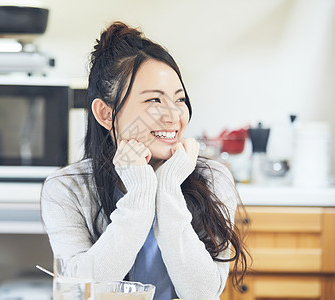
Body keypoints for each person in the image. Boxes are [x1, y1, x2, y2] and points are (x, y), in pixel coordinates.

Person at [41, 21, 249, 300]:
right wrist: (139, 195)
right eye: (154, 100)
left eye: (179, 100)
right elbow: (80, 291)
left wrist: (168, 190)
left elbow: (202, 293)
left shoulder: (214, 178)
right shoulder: (66, 189)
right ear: (105, 114)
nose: (174, 117)